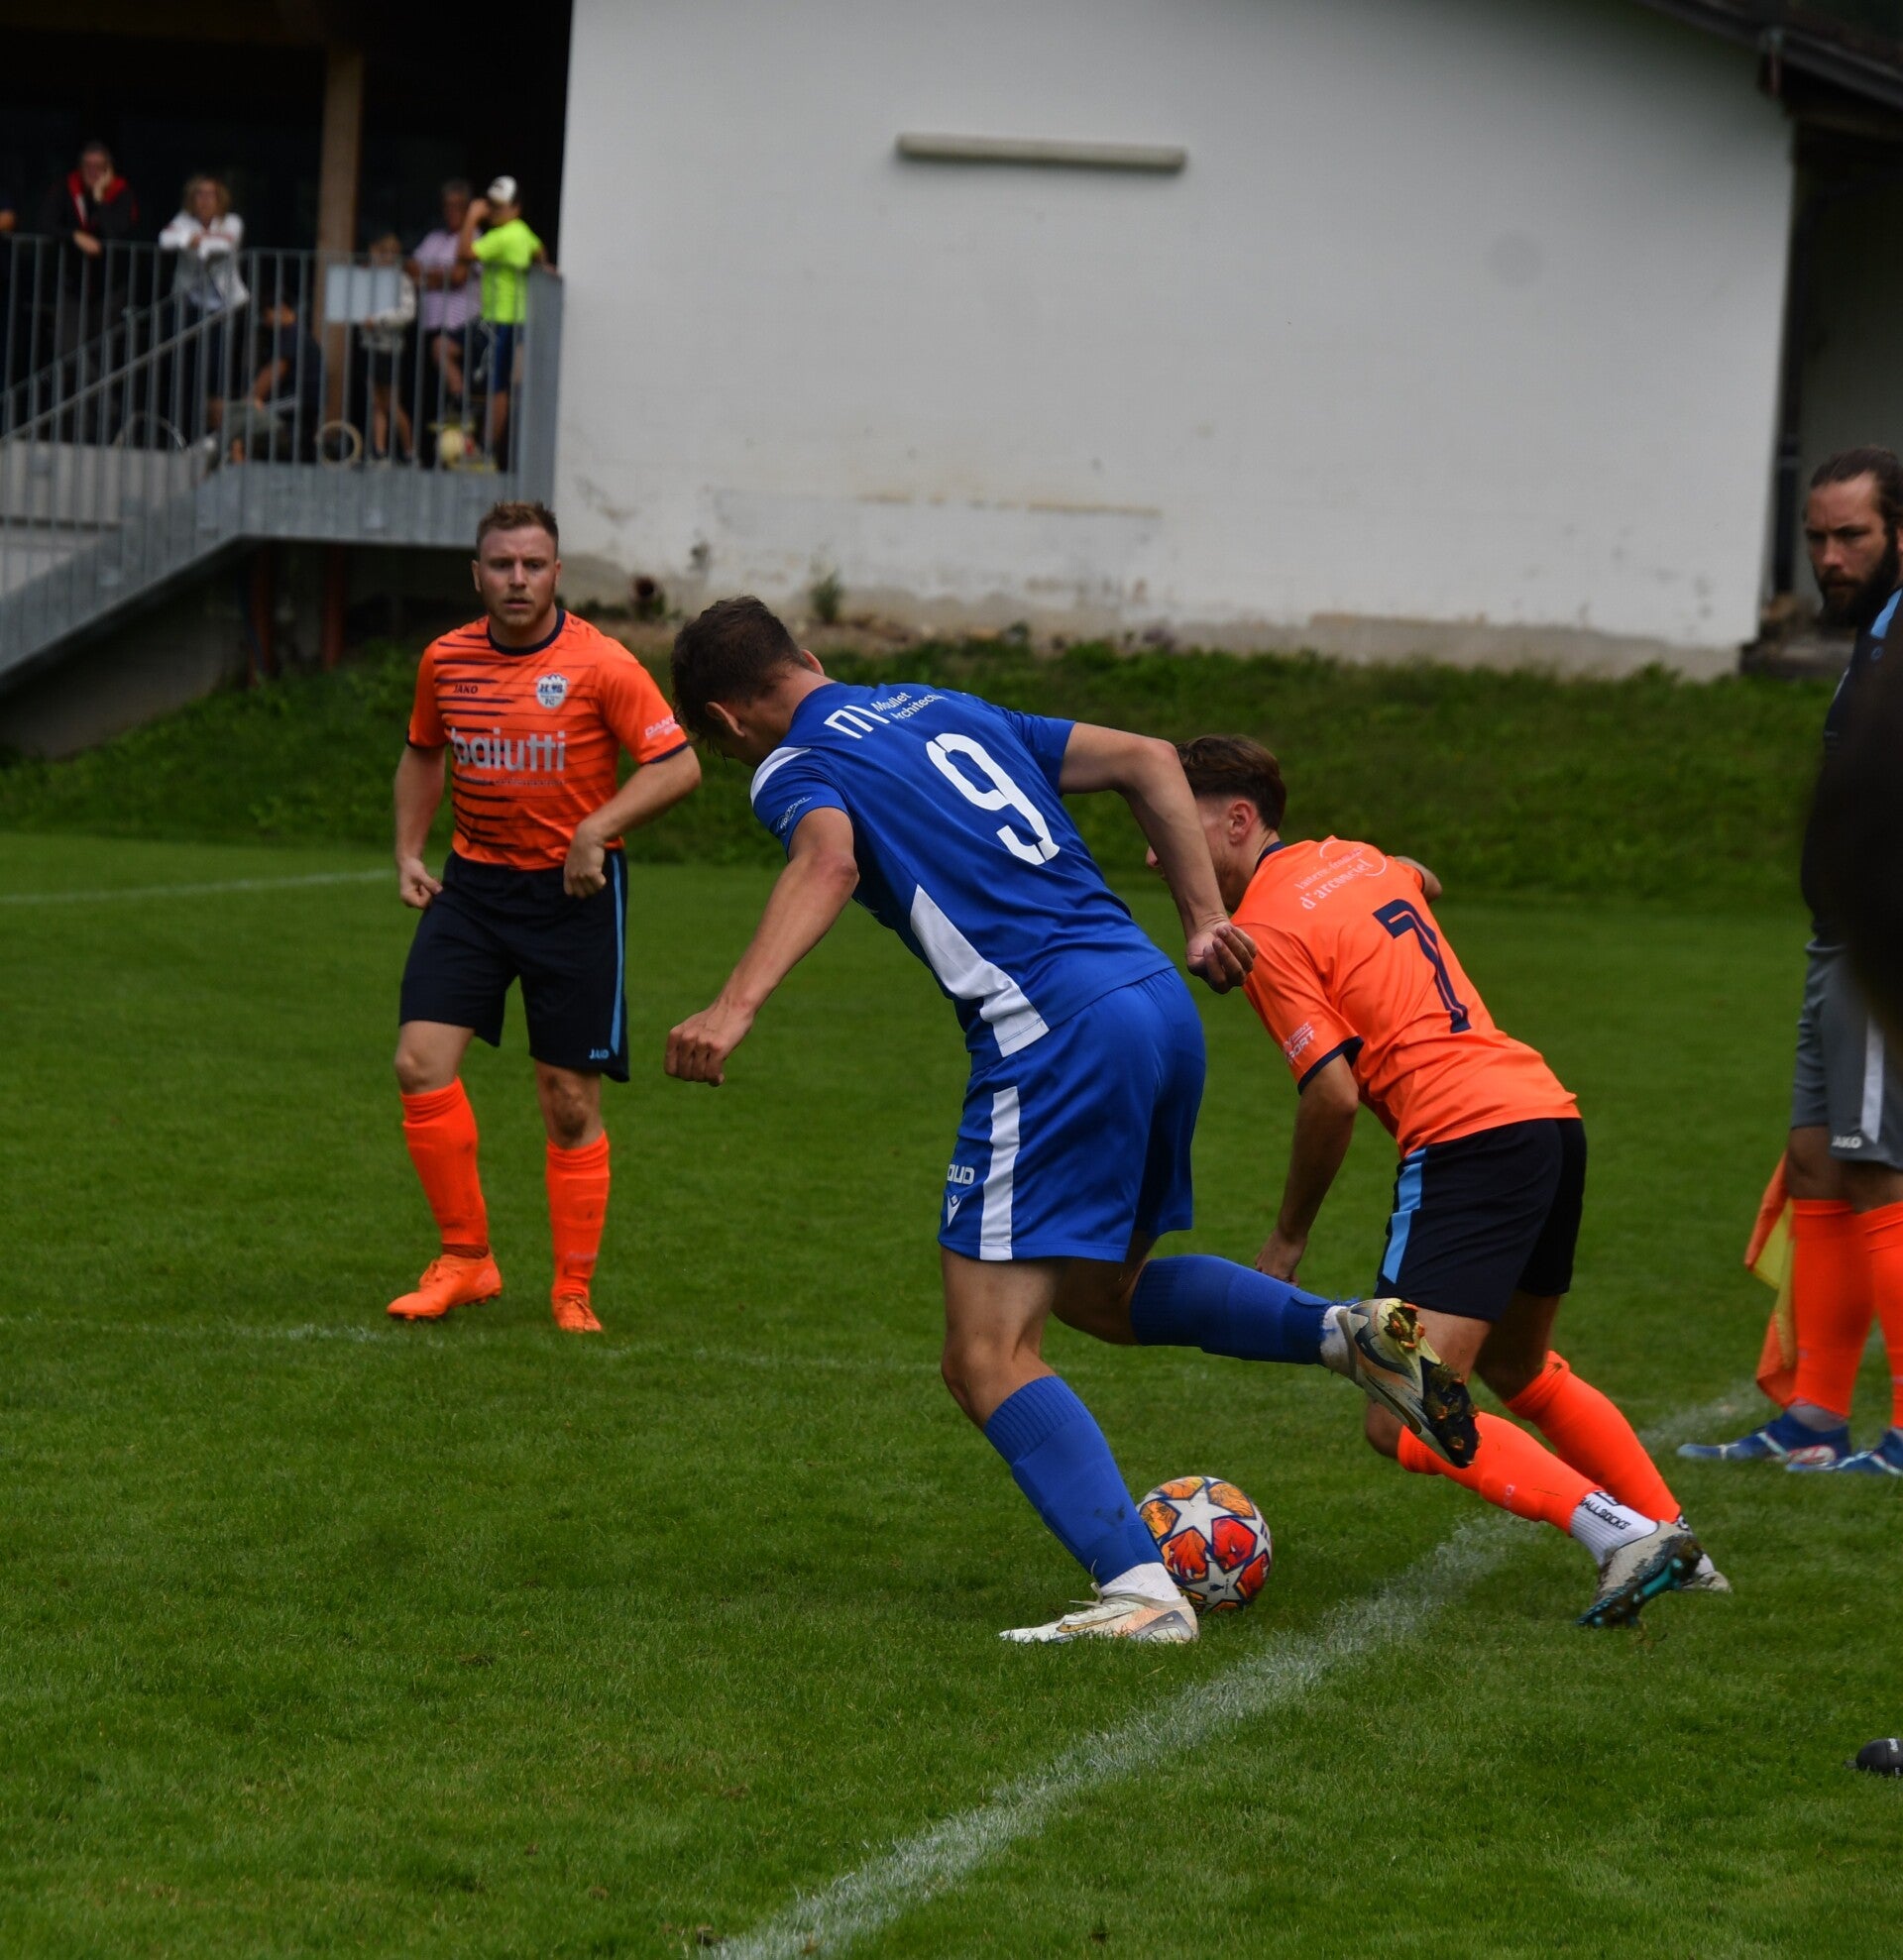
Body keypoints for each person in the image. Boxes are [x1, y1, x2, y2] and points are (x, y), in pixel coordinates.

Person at [663, 598, 1478, 1646]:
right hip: (1153, 1001)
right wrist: (1205, 920)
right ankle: (1349, 1334)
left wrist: (733, 1007)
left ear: (727, 722)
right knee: (1103, 1293)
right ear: (811, 657)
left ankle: (1141, 1592)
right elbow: (1148, 757)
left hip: (1049, 1033)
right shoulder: (942, 704)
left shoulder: (792, 762)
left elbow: (827, 860)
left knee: (985, 1354)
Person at [1172, 735, 1716, 1625]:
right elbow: (1419, 878)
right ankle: (1681, 1547)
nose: (1156, 851)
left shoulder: (1261, 930)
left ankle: (1623, 1534)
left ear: (1238, 820)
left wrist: (1288, 1236)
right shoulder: (1350, 857)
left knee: (1399, 1408)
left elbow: (1333, 1097)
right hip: (1544, 1115)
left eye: (1172, 822)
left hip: (1468, 1141)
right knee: (1517, 1366)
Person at [391, 501, 702, 1333]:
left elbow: (676, 766)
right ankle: (466, 1259)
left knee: (567, 1100)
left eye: (533, 565)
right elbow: (423, 750)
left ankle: (571, 1290)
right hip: (473, 891)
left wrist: (596, 829)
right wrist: (409, 851)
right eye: (502, 565)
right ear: (478, 575)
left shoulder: (602, 664)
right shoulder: (445, 660)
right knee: (419, 1064)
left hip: (576, 897)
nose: (518, 579)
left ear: (557, 573)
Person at [1681, 447, 1903, 1476]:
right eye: (1817, 537)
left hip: (1880, 942)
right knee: (1817, 1161)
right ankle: (1814, 1419)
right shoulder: (1875, 636)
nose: (1829, 556)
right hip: (1834, 942)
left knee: (1875, 1167)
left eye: (1851, 535)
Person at [457, 175, 550, 464]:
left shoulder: (503, 236)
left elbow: (463, 254)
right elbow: (539, 250)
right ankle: (463, 410)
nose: (493, 211)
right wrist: (542, 267)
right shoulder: (522, 232)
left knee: (497, 387)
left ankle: (486, 450)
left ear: (515, 208)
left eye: (500, 206)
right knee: (446, 349)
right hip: (506, 320)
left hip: (501, 321)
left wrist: (471, 217)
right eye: (491, 205)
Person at [39, 141, 142, 360]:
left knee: (101, 349)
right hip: (71, 282)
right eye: (88, 166)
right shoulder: (66, 187)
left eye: (99, 167)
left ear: (109, 169)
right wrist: (75, 236)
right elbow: (46, 222)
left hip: (109, 284)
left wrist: (99, 198)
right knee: (68, 349)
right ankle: (85, 383)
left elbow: (115, 232)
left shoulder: (121, 192)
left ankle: (95, 384)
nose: (93, 171)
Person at [158, 175, 247, 423]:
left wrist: (190, 240)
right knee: (181, 368)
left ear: (219, 199)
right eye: (200, 194)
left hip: (223, 307)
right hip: (189, 304)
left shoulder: (231, 221)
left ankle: (215, 428)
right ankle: (181, 425)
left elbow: (225, 245)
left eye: (211, 195)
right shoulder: (183, 219)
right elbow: (164, 239)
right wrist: (192, 238)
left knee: (217, 370)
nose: (205, 200)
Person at [212, 296, 322, 462]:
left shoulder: (291, 335)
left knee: (246, 415)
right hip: (301, 399)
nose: (266, 322)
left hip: (297, 399)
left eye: (266, 315)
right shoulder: (297, 334)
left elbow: (273, 371)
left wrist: (250, 400)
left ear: (281, 309)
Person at [409, 179, 478, 427]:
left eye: (458, 206)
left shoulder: (474, 239)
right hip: (430, 324)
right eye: (447, 205)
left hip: (461, 327)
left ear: (468, 208)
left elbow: (459, 276)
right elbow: (410, 268)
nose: (451, 211)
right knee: (428, 394)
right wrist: (442, 276)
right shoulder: (434, 238)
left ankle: (462, 412)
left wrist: (429, 276)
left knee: (445, 363)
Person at [354, 232, 416, 462]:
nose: (386, 257)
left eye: (391, 253)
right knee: (375, 403)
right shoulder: (367, 278)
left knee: (391, 403)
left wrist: (378, 320)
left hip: (390, 349)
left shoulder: (402, 280)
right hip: (368, 346)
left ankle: (409, 451)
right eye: (382, 252)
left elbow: (407, 313)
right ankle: (379, 451)